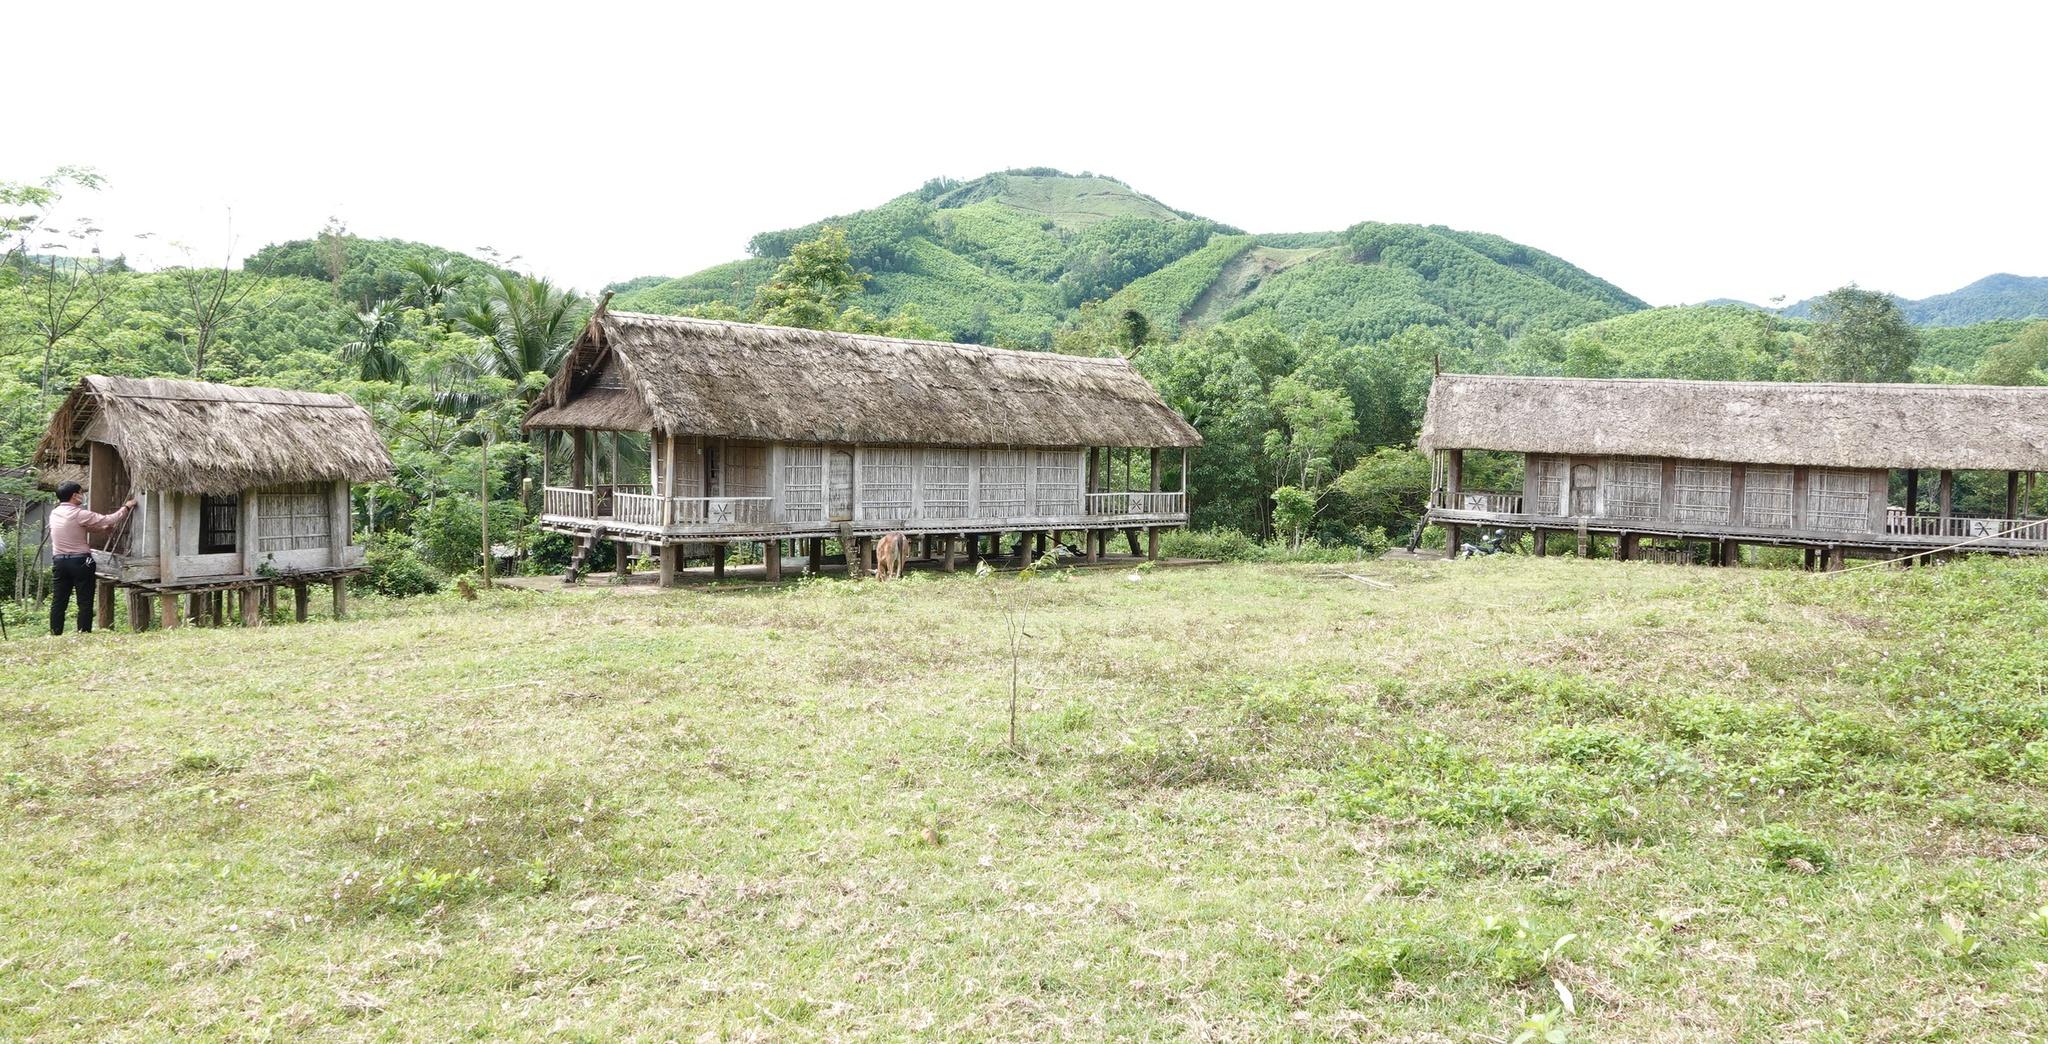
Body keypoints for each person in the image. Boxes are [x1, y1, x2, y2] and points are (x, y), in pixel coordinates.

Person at [47, 480, 135, 636]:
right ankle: (84, 632)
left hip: (59, 561)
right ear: (74, 496)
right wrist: (127, 507)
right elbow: (109, 519)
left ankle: (55, 633)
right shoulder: (80, 514)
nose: (83, 495)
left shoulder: (55, 513)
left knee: (59, 600)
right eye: (81, 492)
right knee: (85, 599)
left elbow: (78, 527)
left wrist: (101, 529)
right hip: (81, 561)